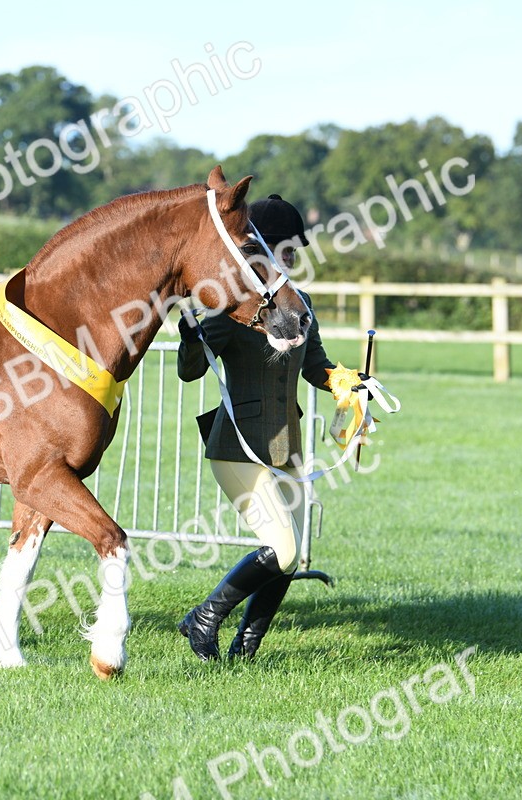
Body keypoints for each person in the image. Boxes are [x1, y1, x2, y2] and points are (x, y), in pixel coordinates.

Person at [176, 194, 335, 660]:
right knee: (282, 550)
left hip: (289, 446)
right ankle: (204, 617)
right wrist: (190, 339)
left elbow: (317, 367)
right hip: (238, 449)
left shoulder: (298, 303)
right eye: (282, 251)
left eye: (292, 252)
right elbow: (190, 371)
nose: (290, 261)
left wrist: (352, 384)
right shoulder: (231, 306)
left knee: (288, 559)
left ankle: (246, 649)